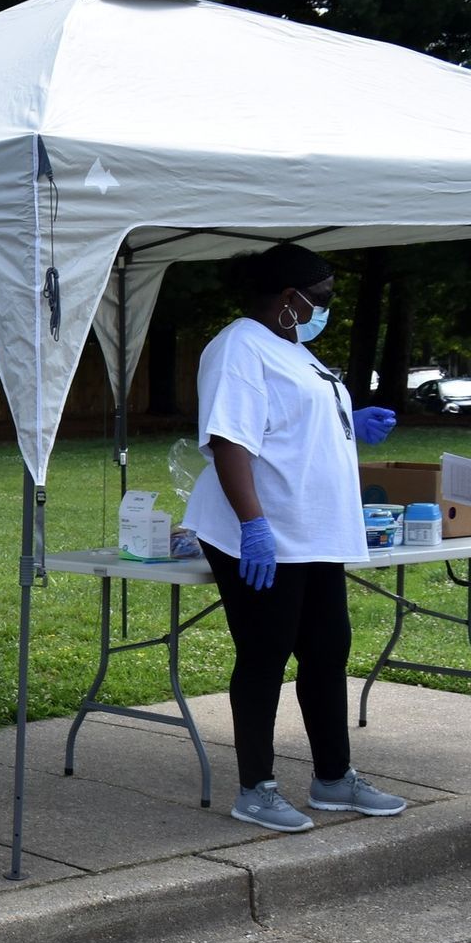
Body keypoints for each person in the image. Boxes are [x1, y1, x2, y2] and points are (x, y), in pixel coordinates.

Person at [181, 242, 406, 833]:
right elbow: (231, 440)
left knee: (328, 650)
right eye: (322, 298)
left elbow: (289, 422)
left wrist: (347, 424)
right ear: (288, 299)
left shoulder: (293, 348)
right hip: (267, 530)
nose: (326, 308)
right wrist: (254, 526)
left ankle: (333, 778)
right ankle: (256, 788)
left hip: (313, 533)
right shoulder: (237, 348)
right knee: (264, 656)